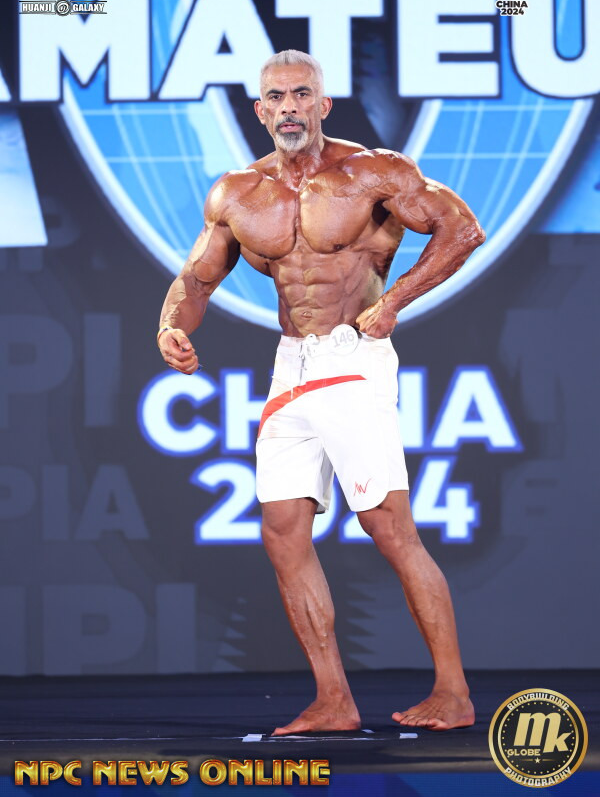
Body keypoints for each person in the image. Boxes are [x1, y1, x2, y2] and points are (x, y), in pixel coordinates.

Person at [157, 49, 485, 734]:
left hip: (353, 355)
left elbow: (462, 228)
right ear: (260, 110)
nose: (289, 109)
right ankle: (334, 699)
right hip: (291, 366)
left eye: (302, 95)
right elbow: (196, 279)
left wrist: (394, 300)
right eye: (276, 98)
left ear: (323, 104)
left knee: (387, 525)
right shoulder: (237, 193)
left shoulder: (371, 172)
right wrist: (172, 327)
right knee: (282, 533)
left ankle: (453, 692)